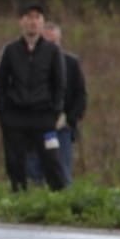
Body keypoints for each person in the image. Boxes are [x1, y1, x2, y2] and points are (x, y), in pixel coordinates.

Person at [0, 3, 68, 192]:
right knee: (15, 160)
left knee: (50, 158)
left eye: (37, 18)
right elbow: (1, 83)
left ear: (42, 23)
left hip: (43, 115)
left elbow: (59, 83)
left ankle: (60, 198)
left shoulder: (52, 51)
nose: (33, 22)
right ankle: (18, 195)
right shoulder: (11, 50)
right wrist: (4, 112)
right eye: (29, 17)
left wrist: (55, 110)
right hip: (15, 115)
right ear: (21, 22)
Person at [27, 21, 87, 184]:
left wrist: (69, 119)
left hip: (62, 129)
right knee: (33, 175)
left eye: (54, 42)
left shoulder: (71, 63)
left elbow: (80, 96)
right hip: (34, 127)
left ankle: (62, 207)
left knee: (62, 175)